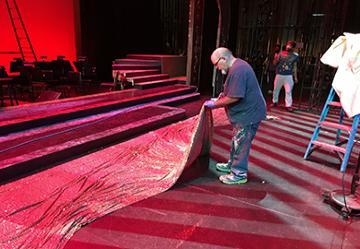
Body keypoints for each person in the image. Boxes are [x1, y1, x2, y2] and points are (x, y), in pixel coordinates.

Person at [204, 47, 267, 184]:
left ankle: (239, 173)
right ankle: (232, 164)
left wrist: (215, 104)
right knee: (237, 141)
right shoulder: (237, 67)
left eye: (216, 64)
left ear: (223, 59)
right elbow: (231, 90)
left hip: (248, 114)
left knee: (241, 143)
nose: (217, 68)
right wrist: (219, 98)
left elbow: (234, 97)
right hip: (245, 113)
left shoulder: (238, 70)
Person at [271, 40, 299, 112]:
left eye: (290, 45)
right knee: (276, 89)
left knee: (288, 90)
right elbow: (274, 63)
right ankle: (275, 102)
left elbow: (295, 67)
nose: (288, 46)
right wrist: (276, 57)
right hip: (279, 74)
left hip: (288, 75)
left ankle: (288, 105)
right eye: (287, 45)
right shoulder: (281, 53)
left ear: (293, 47)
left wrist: (295, 77)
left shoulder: (295, 56)